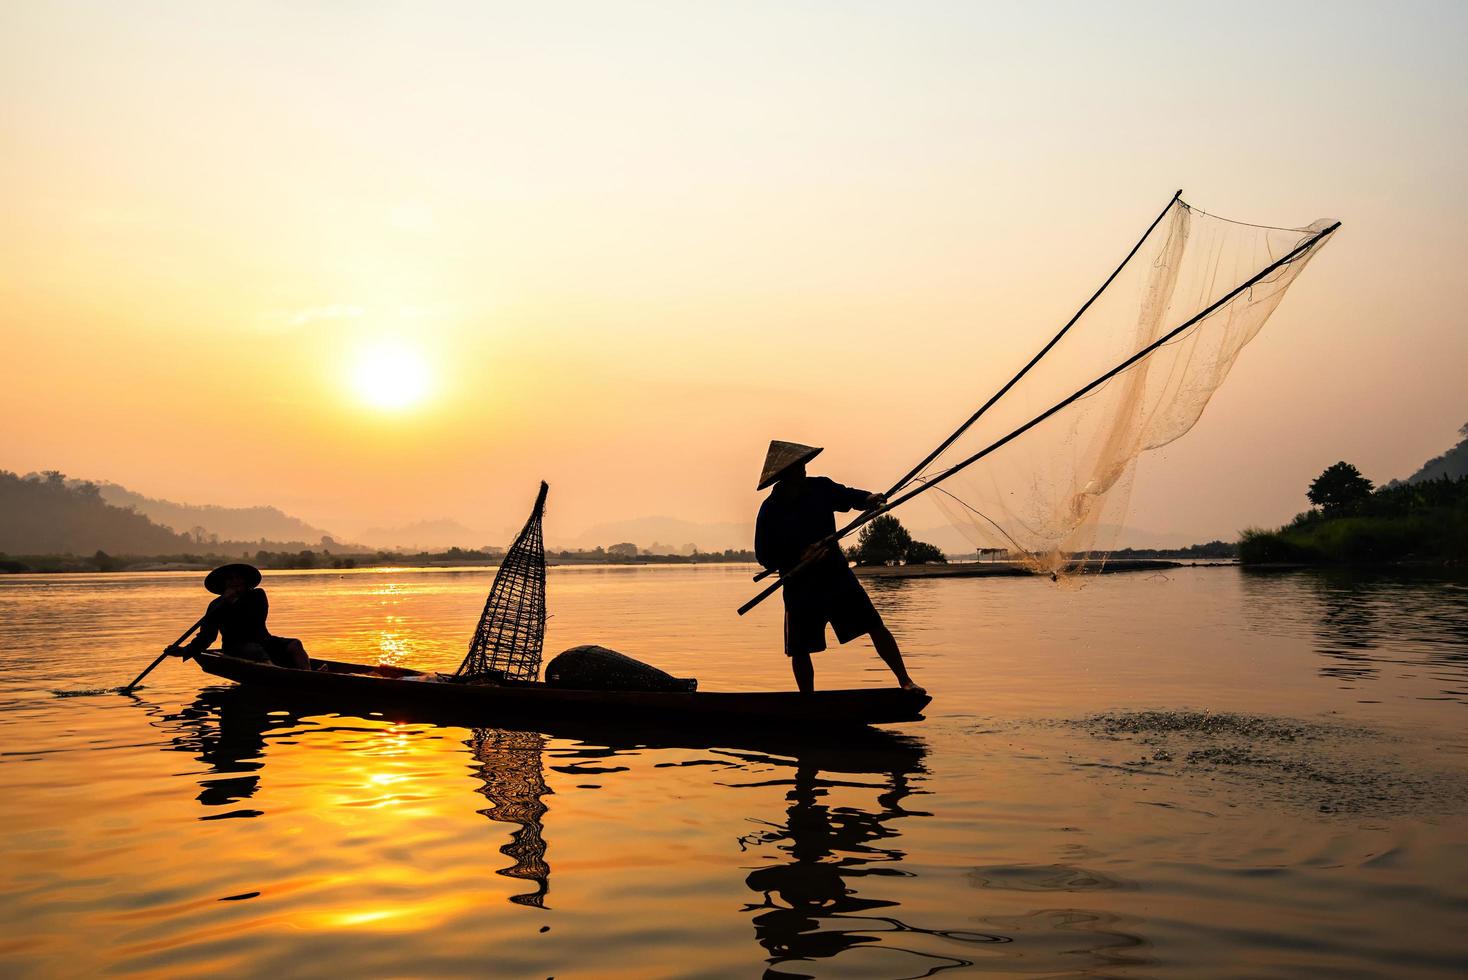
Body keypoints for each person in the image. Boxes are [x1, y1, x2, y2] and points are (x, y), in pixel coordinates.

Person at [753, 440, 922, 694]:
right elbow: (764, 555)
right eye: (797, 467)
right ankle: (807, 700)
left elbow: (848, 496)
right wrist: (800, 555)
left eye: (803, 465)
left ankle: (905, 681)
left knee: (874, 624)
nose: (803, 470)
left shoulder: (819, 488)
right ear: (784, 474)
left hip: (835, 576)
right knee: (800, 648)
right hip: (799, 584)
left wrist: (868, 498)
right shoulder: (771, 509)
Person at [170, 563, 312, 669]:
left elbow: (255, 618)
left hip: (264, 640)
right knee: (255, 651)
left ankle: (309, 675)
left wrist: (233, 602)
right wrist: (185, 651)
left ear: (245, 581)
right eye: (230, 579)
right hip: (235, 647)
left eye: (238, 578)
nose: (235, 582)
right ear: (224, 584)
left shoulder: (257, 596)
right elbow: (207, 636)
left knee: (295, 644)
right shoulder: (216, 605)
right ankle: (279, 674)